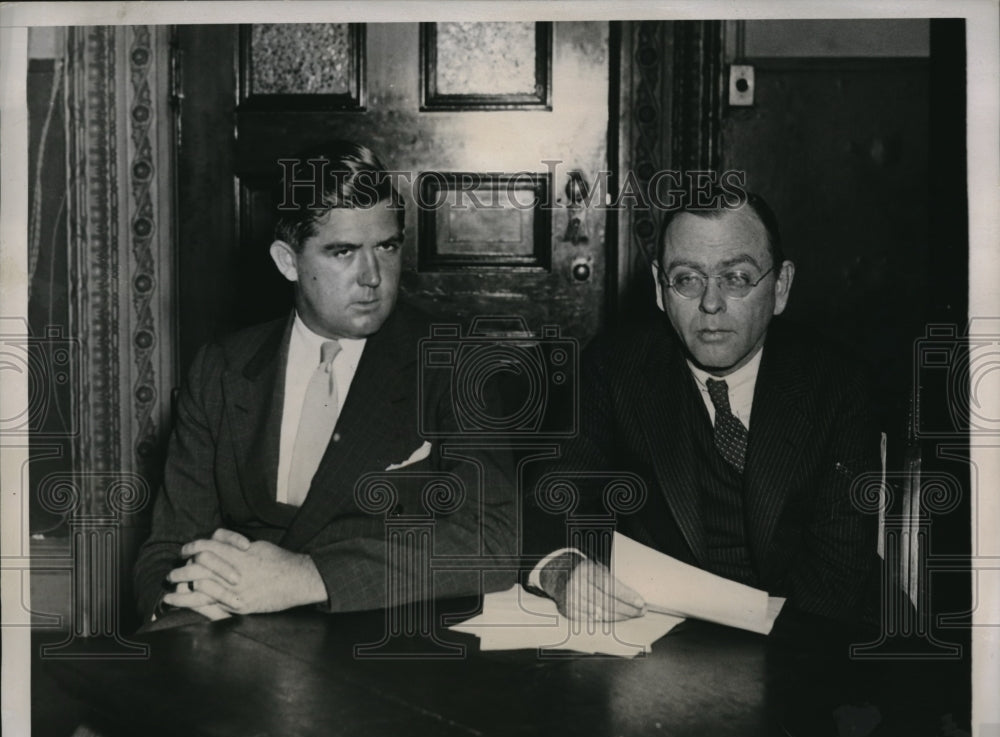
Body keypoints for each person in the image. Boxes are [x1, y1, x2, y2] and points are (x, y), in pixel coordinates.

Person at [134, 141, 515, 623]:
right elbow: (167, 547)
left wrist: (308, 577)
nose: (373, 276)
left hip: (387, 643)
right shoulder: (222, 368)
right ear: (287, 261)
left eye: (387, 247)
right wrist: (181, 599)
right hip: (236, 631)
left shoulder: (453, 360)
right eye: (343, 252)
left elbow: (492, 539)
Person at [526, 191, 881, 628]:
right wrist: (565, 571)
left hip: (801, 644)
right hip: (657, 639)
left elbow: (838, 577)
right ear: (660, 289)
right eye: (687, 279)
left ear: (781, 287)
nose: (711, 304)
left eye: (736, 278)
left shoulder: (837, 385)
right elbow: (549, 501)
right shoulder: (614, 368)